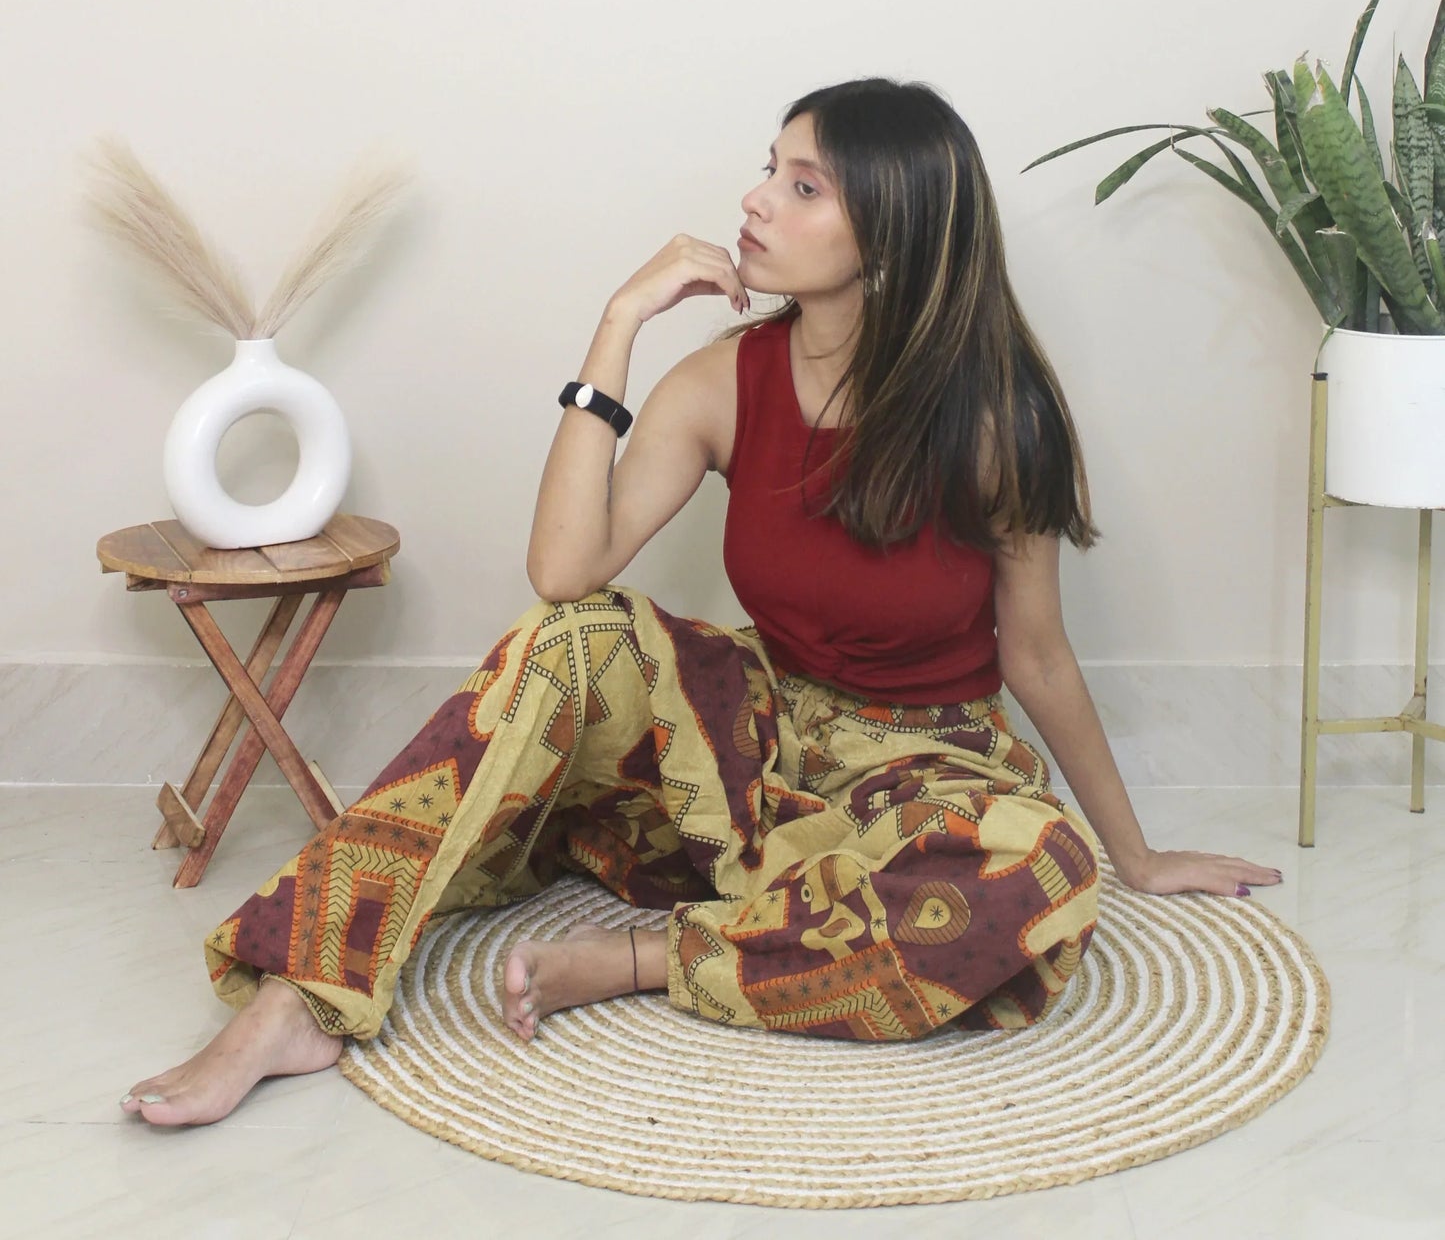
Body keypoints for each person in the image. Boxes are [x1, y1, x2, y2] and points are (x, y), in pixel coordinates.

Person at [122, 76, 1281, 1127]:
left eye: (801, 182)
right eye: (768, 168)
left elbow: (1037, 659)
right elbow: (565, 573)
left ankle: (646, 959)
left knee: (1037, 875)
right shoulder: (727, 377)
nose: (755, 199)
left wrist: (1130, 854)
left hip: (922, 769)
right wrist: (618, 323)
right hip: (751, 748)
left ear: (889, 232)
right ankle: (300, 996)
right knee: (572, 641)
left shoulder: (996, 418)